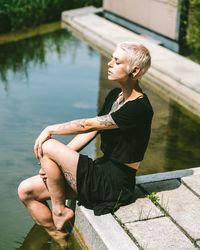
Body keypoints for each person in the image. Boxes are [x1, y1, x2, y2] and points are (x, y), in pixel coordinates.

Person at [18, 41, 153, 234]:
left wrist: (50, 129)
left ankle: (58, 210)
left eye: (117, 61)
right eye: (111, 59)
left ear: (135, 70)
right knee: (26, 191)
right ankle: (58, 235)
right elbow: (92, 131)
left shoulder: (138, 108)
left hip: (114, 183)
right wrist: (55, 164)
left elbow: (88, 124)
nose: (109, 64)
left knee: (48, 144)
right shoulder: (116, 95)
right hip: (100, 170)